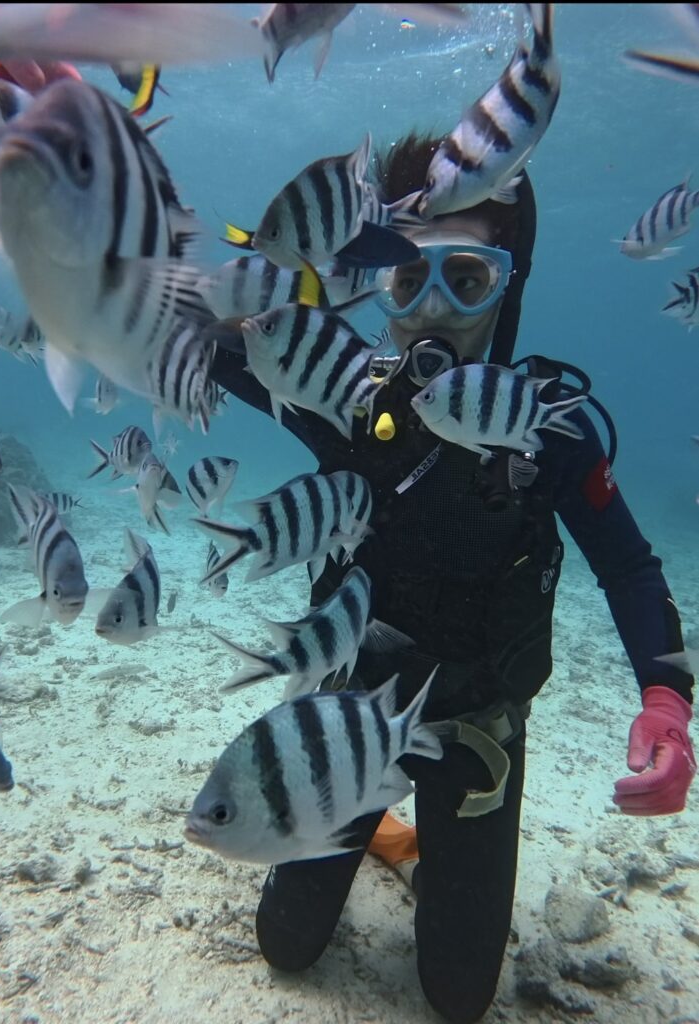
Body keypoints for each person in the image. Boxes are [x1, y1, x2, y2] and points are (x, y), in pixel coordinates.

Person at [209, 132, 696, 1023]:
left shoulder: (546, 427)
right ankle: (382, 825)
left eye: (466, 280)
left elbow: (628, 566)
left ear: (510, 283)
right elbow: (190, 340)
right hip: (344, 721)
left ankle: (416, 838)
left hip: (478, 730)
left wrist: (665, 700)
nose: (433, 309)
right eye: (407, 280)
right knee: (285, 948)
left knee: (461, 998)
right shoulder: (335, 394)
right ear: (374, 280)